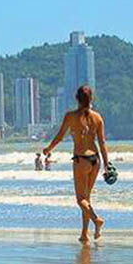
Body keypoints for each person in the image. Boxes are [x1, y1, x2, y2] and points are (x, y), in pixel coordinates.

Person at [41, 85, 109, 242]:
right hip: (95, 160)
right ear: (91, 99)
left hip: (81, 160)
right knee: (87, 199)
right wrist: (106, 164)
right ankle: (84, 233)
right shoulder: (97, 117)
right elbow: (103, 142)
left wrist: (48, 148)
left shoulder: (70, 116)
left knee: (80, 200)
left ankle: (96, 219)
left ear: (76, 99)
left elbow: (59, 136)